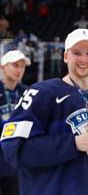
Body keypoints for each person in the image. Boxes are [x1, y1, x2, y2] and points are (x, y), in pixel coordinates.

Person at [0, 29, 88, 195]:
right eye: (76, 53)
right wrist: (73, 144)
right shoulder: (41, 94)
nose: (83, 59)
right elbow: (14, 149)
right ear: (65, 56)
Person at [0, 50, 30, 195]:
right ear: (2, 67)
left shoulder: (27, 93)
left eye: (22, 66)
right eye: (15, 65)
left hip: (15, 164)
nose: (19, 70)